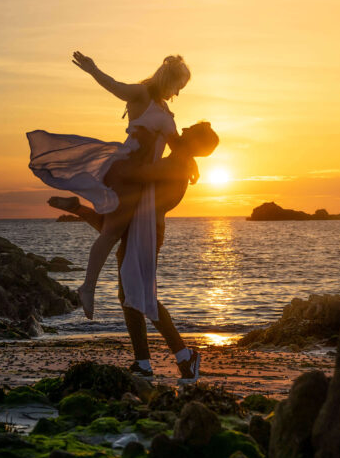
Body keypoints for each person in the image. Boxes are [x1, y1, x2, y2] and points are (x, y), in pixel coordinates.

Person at [27, 52, 191, 323]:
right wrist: (93, 70)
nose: (179, 92)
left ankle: (78, 214)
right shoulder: (142, 95)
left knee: (118, 229)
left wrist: (191, 162)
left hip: (143, 180)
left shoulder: (163, 107)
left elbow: (177, 147)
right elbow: (115, 86)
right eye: (179, 85)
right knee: (113, 231)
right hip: (127, 171)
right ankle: (88, 287)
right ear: (170, 79)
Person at [50, 121, 220, 380]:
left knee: (138, 295)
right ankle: (146, 362)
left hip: (148, 231)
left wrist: (120, 156)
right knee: (129, 293)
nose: (183, 130)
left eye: (190, 130)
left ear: (196, 142)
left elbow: (136, 175)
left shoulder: (176, 164)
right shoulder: (177, 160)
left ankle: (183, 357)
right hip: (139, 224)